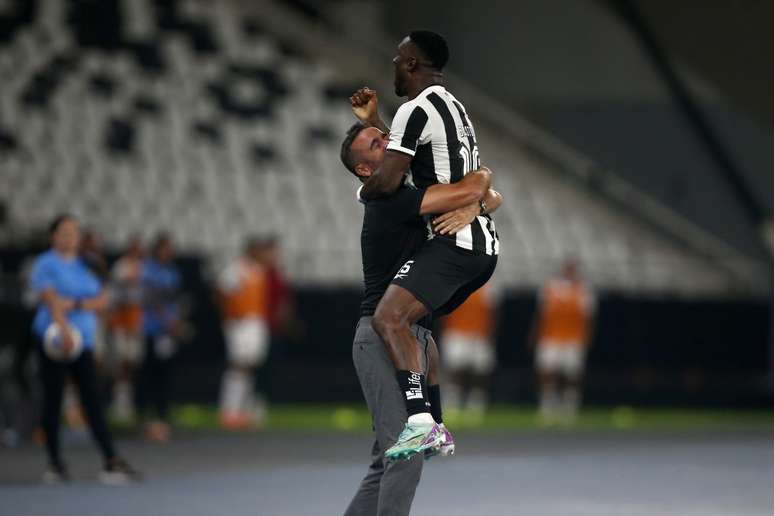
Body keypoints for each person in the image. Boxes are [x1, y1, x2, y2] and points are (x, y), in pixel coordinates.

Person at [340, 121, 503, 515]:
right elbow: (482, 188)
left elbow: (489, 198)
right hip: (381, 336)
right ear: (365, 170)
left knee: (390, 458)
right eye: (378, 145)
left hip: (409, 335)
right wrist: (477, 186)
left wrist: (475, 205)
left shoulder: (404, 192)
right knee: (405, 453)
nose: (390, 145)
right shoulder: (390, 202)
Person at [351, 30, 499, 461]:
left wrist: (364, 190)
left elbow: (387, 181)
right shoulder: (454, 107)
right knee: (417, 328)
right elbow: (474, 179)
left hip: (457, 245)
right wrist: (377, 121)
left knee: (388, 317)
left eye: (398, 58)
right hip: (479, 245)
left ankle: (421, 423)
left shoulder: (416, 109)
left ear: (412, 63)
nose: (393, 64)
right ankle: (433, 421)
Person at [29, 214, 139, 483]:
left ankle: (110, 460)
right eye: (64, 232)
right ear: (53, 236)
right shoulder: (45, 264)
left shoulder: (87, 264)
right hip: (54, 340)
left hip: (84, 341)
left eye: (74, 232)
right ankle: (55, 463)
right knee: (53, 399)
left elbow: (102, 300)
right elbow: (51, 299)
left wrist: (76, 305)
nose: (69, 237)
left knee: (92, 398)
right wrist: (63, 329)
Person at [529, 260, 596, 424]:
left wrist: (587, 338)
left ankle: (569, 408)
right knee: (547, 372)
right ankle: (548, 407)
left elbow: (589, 318)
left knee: (572, 375)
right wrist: (535, 334)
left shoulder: (584, 290)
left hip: (574, 339)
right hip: (551, 337)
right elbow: (541, 315)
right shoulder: (550, 288)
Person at [217, 237, 270, 429]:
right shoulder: (236, 270)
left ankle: (241, 410)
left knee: (250, 365)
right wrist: (229, 315)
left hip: (254, 321)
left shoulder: (258, 271)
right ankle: (229, 409)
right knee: (237, 365)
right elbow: (221, 291)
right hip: (239, 323)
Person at [139, 233, 182, 442]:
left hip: (167, 332)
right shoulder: (149, 269)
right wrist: (167, 319)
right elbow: (150, 298)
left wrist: (176, 322)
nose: (169, 252)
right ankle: (146, 417)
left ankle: (163, 417)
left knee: (166, 373)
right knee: (150, 373)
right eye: (165, 248)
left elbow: (173, 299)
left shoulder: (172, 272)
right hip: (153, 329)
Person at [441, 282, 497, 420]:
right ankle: (452, 405)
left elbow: (495, 314)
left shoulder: (489, 289)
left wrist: (490, 333)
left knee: (480, 372)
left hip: (480, 334)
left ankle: (475, 406)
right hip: (456, 332)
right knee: (455, 369)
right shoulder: (455, 284)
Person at [108, 235, 145, 423]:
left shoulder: (144, 267)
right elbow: (116, 296)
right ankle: (119, 405)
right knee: (121, 364)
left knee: (132, 364)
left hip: (135, 323)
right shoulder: (121, 267)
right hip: (122, 323)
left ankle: (127, 404)